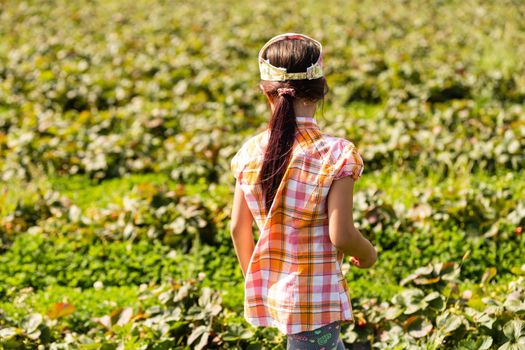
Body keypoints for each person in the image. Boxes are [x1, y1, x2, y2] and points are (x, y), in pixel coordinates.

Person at [230, 32, 377, 350]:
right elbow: (341, 235)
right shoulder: (337, 154)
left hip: (278, 295)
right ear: (322, 90)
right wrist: (368, 253)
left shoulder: (248, 152)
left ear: (265, 93)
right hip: (315, 302)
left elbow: (238, 228)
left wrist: (257, 282)